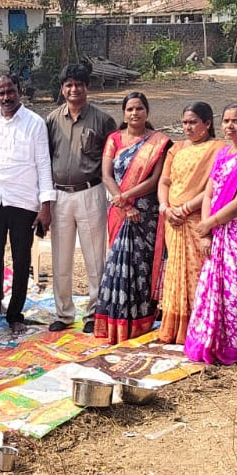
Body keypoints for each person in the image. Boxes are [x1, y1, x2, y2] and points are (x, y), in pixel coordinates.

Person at [183, 103, 237, 365]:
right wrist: (207, 228)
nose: (229, 126)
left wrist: (210, 224)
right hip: (216, 232)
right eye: (226, 121)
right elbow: (209, 193)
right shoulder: (223, 154)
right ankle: (210, 341)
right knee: (210, 288)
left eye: (236, 122)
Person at [0, 74, 55, 335]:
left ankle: (15, 314)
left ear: (19, 91)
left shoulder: (34, 123)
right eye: (1, 92)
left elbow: (43, 164)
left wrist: (45, 205)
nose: (6, 97)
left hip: (23, 201)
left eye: (10, 91)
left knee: (21, 260)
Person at [46, 64, 117, 332]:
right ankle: (63, 314)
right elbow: (46, 158)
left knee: (94, 255)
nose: (74, 90)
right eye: (69, 85)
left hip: (91, 192)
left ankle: (93, 313)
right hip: (59, 195)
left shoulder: (102, 120)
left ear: (88, 87)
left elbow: (112, 159)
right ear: (62, 88)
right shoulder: (52, 120)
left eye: (79, 84)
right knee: (60, 257)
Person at [95, 93, 170, 341]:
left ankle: (141, 320)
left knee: (142, 266)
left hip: (145, 213)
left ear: (147, 111)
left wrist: (126, 196)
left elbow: (154, 180)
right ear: (123, 113)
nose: (134, 113)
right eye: (129, 109)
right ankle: (115, 321)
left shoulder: (159, 142)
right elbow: (106, 175)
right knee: (117, 265)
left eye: (139, 108)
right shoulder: (114, 139)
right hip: (120, 211)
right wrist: (125, 203)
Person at [156, 102, 223, 344]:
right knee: (175, 271)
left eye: (193, 122)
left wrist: (184, 209)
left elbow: (211, 187)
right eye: (185, 122)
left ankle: (197, 328)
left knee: (199, 273)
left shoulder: (217, 149)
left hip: (196, 219)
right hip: (172, 221)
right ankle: (174, 327)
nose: (188, 127)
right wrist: (165, 208)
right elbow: (164, 182)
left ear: (207, 124)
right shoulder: (175, 148)